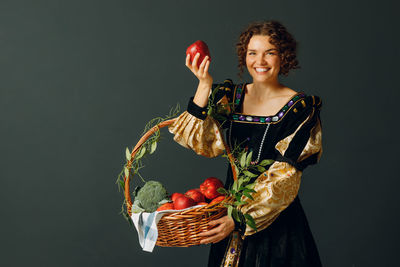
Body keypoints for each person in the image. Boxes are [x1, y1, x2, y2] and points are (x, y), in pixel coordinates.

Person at [168, 20, 323, 267]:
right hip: (227, 215)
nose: (259, 61)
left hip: (277, 225)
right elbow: (197, 141)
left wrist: (239, 219)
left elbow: (286, 178)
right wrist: (204, 85)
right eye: (253, 53)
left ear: (283, 56)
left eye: (269, 53)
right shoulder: (230, 98)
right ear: (244, 56)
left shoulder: (300, 109)